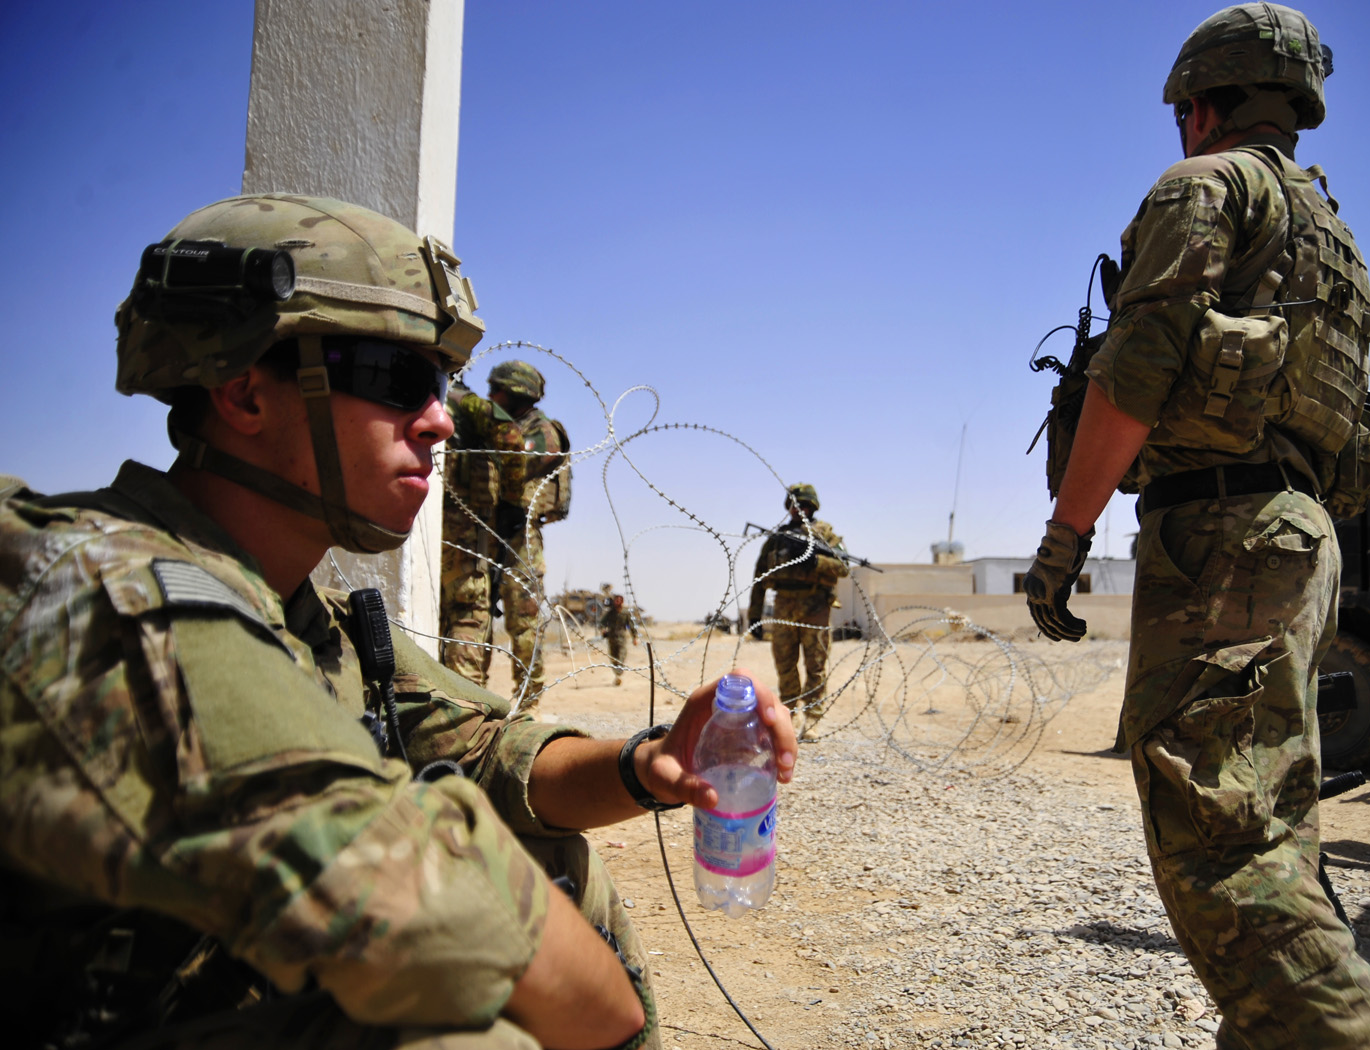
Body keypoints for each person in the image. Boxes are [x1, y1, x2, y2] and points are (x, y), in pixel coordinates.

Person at [0, 194, 797, 1050]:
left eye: (443, 382)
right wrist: (612, 1021)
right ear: (243, 393)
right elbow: (423, 904)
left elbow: (481, 750)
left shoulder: (311, 615)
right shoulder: (114, 599)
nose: (441, 418)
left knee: (541, 851)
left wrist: (648, 764)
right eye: (396, 379)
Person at [1022, 7, 1370, 1048]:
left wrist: (1065, 538)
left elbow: (1138, 370)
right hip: (1299, 537)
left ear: (1200, 105)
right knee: (1273, 831)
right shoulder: (1332, 236)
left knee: (1223, 855)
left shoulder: (1206, 186)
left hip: (1223, 536)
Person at [486, 360, 571, 711]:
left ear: (518, 392)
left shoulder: (542, 431)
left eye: (498, 390)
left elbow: (520, 460)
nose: (491, 397)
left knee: (524, 620)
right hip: (489, 529)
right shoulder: (501, 426)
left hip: (522, 534)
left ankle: (528, 700)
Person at [746, 483, 850, 742]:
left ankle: (812, 719)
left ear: (812, 507)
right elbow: (759, 577)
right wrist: (755, 615)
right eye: (794, 504)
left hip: (815, 605)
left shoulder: (825, 534)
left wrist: (816, 561)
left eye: (803, 505)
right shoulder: (777, 537)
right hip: (783, 605)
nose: (798, 509)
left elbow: (844, 566)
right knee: (785, 664)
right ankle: (788, 715)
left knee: (815, 664)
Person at [438, 373, 510, 686]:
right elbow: (512, 439)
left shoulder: (425, 394)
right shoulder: (467, 404)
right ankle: (465, 696)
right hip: (467, 525)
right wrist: (512, 500)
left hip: (426, 521)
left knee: (438, 610)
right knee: (468, 609)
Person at [600, 592, 639, 687]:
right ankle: (617, 674)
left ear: (622, 601)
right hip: (611, 637)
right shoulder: (610, 613)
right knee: (613, 657)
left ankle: (619, 673)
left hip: (621, 637)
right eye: (616, 600)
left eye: (619, 600)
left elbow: (631, 625)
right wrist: (603, 630)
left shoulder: (626, 613)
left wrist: (634, 637)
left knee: (622, 655)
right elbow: (602, 623)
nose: (617, 602)